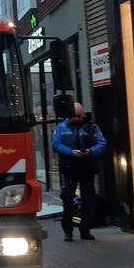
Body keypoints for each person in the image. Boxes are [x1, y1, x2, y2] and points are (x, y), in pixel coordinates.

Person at [51, 103, 107, 242]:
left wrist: (90, 152)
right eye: (76, 115)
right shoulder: (61, 128)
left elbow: (102, 143)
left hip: (87, 167)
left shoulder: (91, 127)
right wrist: (71, 152)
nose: (79, 118)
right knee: (68, 199)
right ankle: (68, 231)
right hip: (70, 168)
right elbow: (56, 144)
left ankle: (85, 229)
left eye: (80, 115)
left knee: (88, 200)